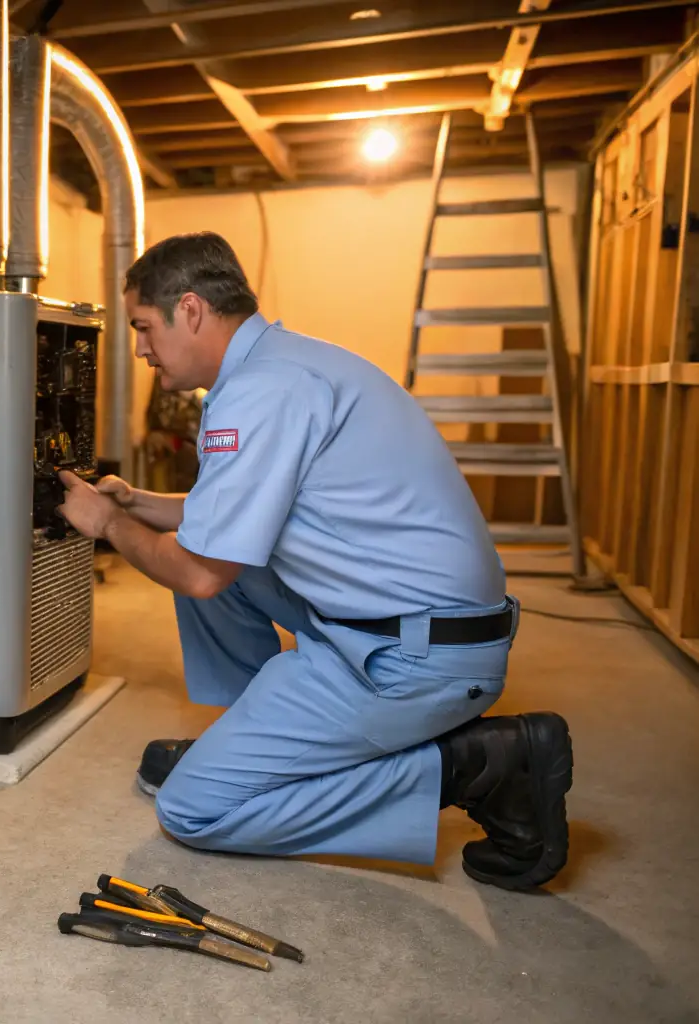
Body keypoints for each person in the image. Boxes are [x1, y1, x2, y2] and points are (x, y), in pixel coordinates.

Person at [56, 232, 572, 890]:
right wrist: (135, 501)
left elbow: (200, 570)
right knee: (219, 561)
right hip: (424, 624)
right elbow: (228, 516)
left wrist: (107, 524)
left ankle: (480, 766)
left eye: (143, 327)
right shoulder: (285, 366)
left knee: (192, 809)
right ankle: (257, 743)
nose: (139, 348)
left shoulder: (258, 394)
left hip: (417, 659)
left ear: (189, 310)